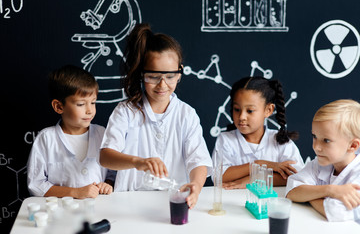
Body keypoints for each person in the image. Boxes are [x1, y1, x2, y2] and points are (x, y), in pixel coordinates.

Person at [99, 23, 212, 209]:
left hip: (174, 202)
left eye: (169, 76)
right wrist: (138, 162)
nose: (162, 85)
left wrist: (196, 186)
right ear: (142, 74)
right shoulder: (126, 111)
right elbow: (105, 157)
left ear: (179, 73)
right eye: (153, 76)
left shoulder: (187, 114)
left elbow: (198, 160)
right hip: (128, 203)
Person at [27, 65, 115, 198]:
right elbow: (36, 184)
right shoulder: (46, 138)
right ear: (59, 106)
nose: (90, 110)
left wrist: (107, 185)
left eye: (93, 102)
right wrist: (75, 192)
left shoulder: (101, 133)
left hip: (98, 207)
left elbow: (112, 174)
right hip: (61, 211)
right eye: (80, 104)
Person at [212, 76, 304, 189]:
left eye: (250, 111)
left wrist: (254, 179)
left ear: (268, 110)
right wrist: (259, 164)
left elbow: (296, 176)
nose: (242, 117)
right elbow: (219, 176)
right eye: (237, 109)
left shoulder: (281, 142)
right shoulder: (225, 140)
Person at [286, 99, 360, 222]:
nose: (316, 147)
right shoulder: (320, 163)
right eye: (314, 136)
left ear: (352, 145)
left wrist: (309, 196)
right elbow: (292, 191)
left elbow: (336, 212)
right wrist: (330, 190)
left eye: (326, 140)